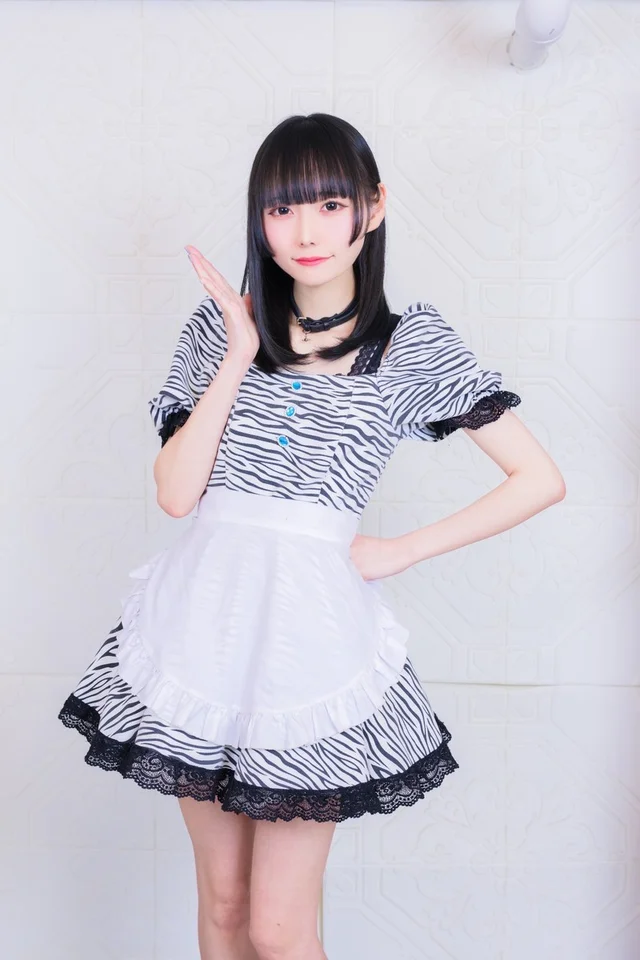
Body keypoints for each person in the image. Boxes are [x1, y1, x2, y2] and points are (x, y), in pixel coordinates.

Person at [58, 113, 565, 960]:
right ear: (259, 218)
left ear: (373, 207)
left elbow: (539, 479)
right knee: (224, 908)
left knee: (279, 927)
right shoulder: (217, 331)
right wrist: (238, 352)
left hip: (308, 644)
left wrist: (400, 550)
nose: (306, 232)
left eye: (331, 205)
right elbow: (177, 495)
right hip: (203, 630)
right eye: (283, 208)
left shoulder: (408, 345)